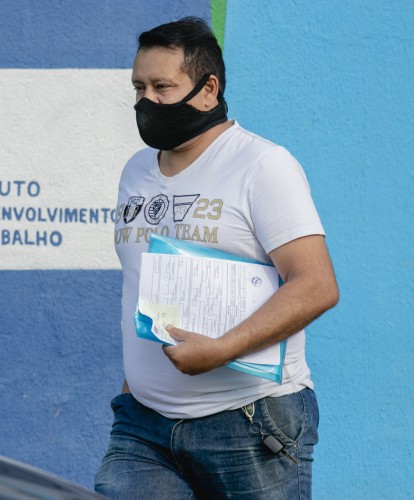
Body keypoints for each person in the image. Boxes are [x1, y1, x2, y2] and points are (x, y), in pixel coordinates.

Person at [95, 17, 339, 499]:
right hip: (144, 426)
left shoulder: (262, 165)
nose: (146, 101)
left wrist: (221, 349)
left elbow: (316, 284)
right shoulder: (136, 170)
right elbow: (142, 279)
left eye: (163, 86)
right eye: (138, 87)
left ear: (209, 90)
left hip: (249, 423)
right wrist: (134, 386)